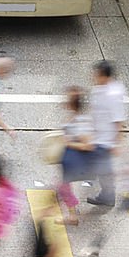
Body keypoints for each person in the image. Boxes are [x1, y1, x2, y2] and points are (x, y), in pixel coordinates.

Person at [86, 60, 127, 208]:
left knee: (104, 170)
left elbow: (118, 120)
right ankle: (107, 194)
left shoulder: (113, 95)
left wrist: (117, 143)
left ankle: (107, 197)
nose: (93, 76)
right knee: (102, 168)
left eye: (97, 74)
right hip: (98, 137)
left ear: (105, 76)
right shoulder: (100, 89)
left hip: (106, 141)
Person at [56, 87, 95, 225]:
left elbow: (88, 145)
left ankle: (72, 216)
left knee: (63, 187)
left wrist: (69, 143)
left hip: (75, 161)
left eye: (68, 99)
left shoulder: (80, 122)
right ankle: (71, 212)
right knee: (62, 186)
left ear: (73, 103)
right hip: (70, 160)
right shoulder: (75, 117)